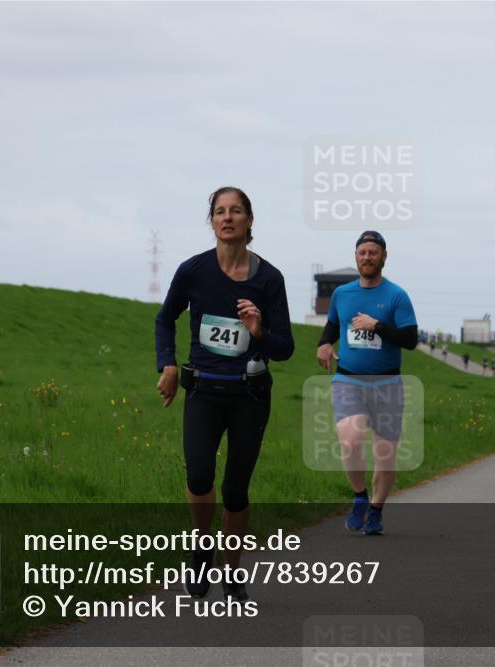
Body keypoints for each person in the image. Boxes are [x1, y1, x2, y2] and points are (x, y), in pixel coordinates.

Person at [156, 186, 294, 602]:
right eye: (220, 211)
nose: (228, 217)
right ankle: (201, 550)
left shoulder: (269, 279)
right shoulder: (193, 271)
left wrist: (259, 332)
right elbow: (165, 319)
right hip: (203, 391)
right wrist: (167, 364)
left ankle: (232, 571)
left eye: (236, 211)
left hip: (248, 396)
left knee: (236, 489)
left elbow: (284, 348)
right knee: (199, 475)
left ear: (250, 221)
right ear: (212, 221)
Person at [317, 231, 418, 536]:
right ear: (356, 256)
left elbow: (411, 340)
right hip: (348, 379)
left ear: (384, 257)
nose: (368, 257)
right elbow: (334, 323)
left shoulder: (397, 296)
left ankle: (375, 510)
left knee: (385, 454)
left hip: (387, 383)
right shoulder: (343, 294)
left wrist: (378, 326)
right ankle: (360, 496)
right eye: (362, 252)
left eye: (373, 252)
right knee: (350, 439)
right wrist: (324, 344)